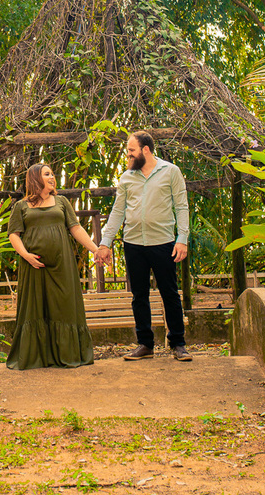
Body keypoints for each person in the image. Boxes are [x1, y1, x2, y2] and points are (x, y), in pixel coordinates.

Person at [95, 131, 192, 361]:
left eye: (131, 150)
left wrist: (182, 239)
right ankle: (145, 344)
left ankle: (178, 344)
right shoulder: (127, 177)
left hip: (164, 243)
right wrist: (105, 242)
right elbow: (118, 212)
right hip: (133, 244)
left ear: (145, 150)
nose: (128, 155)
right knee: (139, 296)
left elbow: (181, 206)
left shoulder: (171, 171)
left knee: (170, 294)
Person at [6, 163, 100, 370]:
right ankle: (37, 357)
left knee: (64, 306)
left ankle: (68, 353)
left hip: (62, 264)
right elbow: (14, 234)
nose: (52, 177)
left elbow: (75, 229)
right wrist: (26, 256)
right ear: (35, 179)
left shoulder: (62, 201)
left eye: (52, 174)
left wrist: (96, 249)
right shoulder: (20, 206)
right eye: (47, 174)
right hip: (34, 266)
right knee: (35, 308)